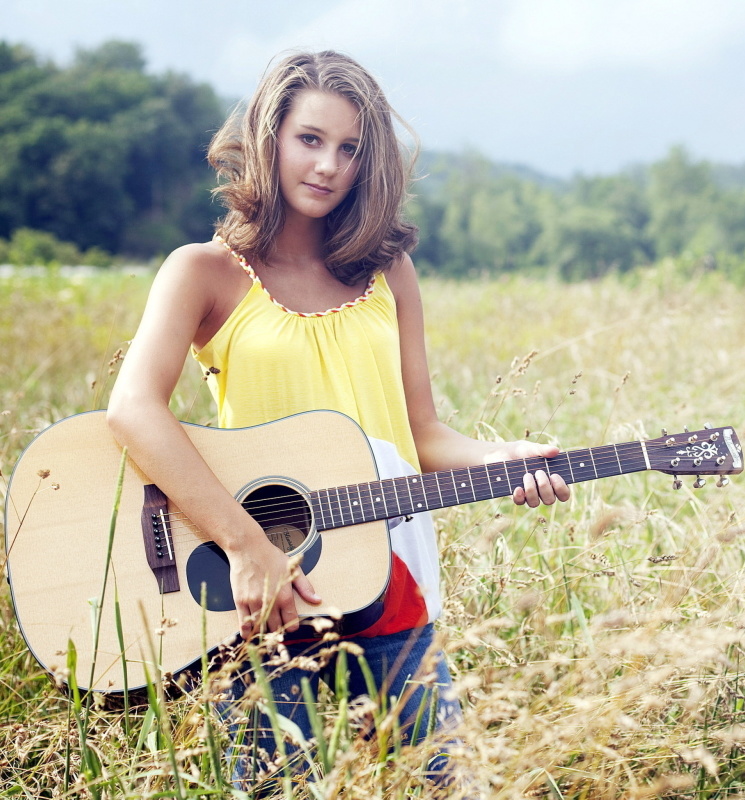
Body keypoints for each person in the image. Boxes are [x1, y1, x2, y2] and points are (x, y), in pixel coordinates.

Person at [106, 50, 570, 790]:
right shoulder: (203, 272)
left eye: (350, 148)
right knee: (276, 786)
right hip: (259, 588)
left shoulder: (388, 271)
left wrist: (505, 457)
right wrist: (246, 545)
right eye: (310, 140)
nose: (328, 165)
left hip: (389, 573)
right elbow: (131, 411)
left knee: (438, 779)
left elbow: (422, 435)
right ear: (269, 137)